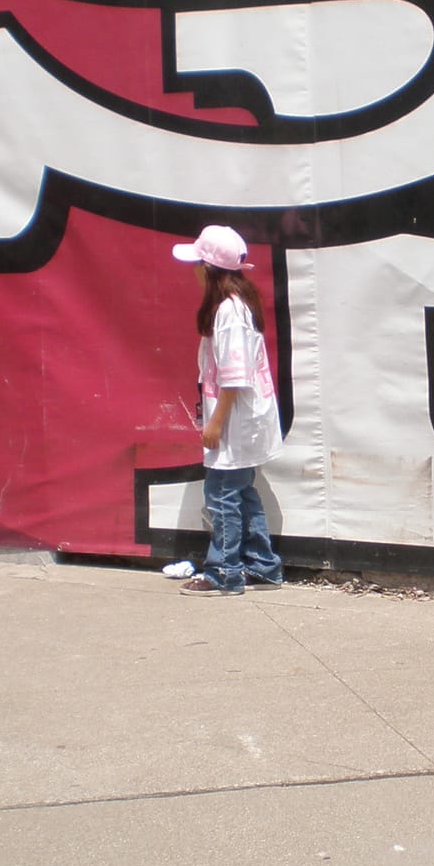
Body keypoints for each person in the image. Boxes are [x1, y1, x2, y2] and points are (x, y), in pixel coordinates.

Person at [173, 224, 285, 596]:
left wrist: (215, 424)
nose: (193, 270)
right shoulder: (234, 307)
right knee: (241, 493)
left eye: (198, 263)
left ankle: (225, 572)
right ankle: (263, 566)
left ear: (209, 269)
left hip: (235, 424)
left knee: (221, 496)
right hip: (239, 423)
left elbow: (234, 377)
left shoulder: (229, 312)